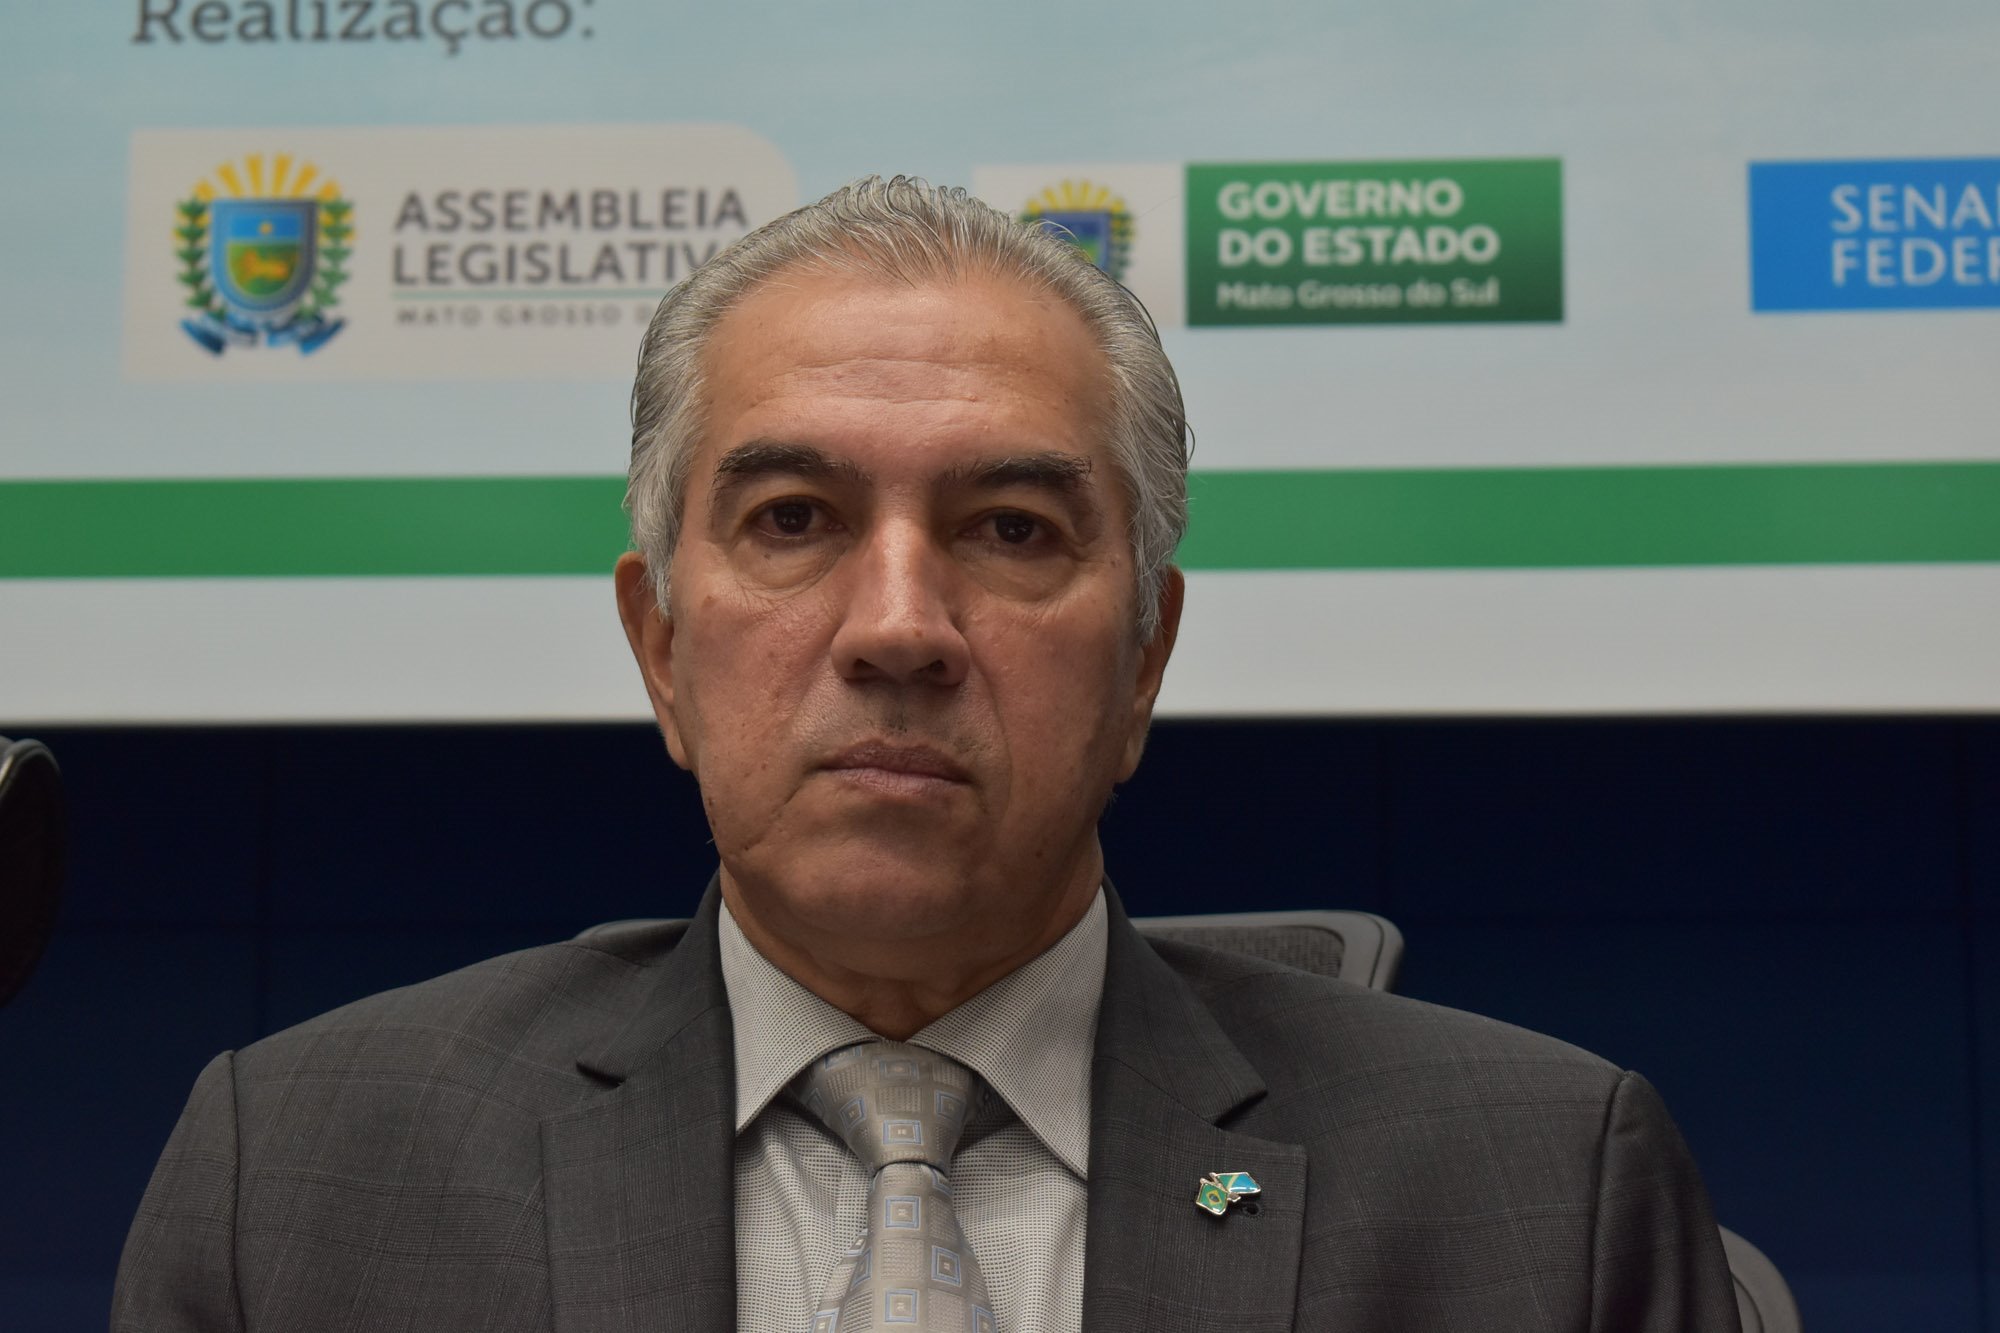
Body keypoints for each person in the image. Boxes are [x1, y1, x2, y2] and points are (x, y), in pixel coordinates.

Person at [113, 177, 1741, 1332]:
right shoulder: (304, 1182)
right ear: (662, 647)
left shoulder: (1540, 1195)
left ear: (1145, 657)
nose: (899, 625)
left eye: (1012, 528)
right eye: (794, 519)